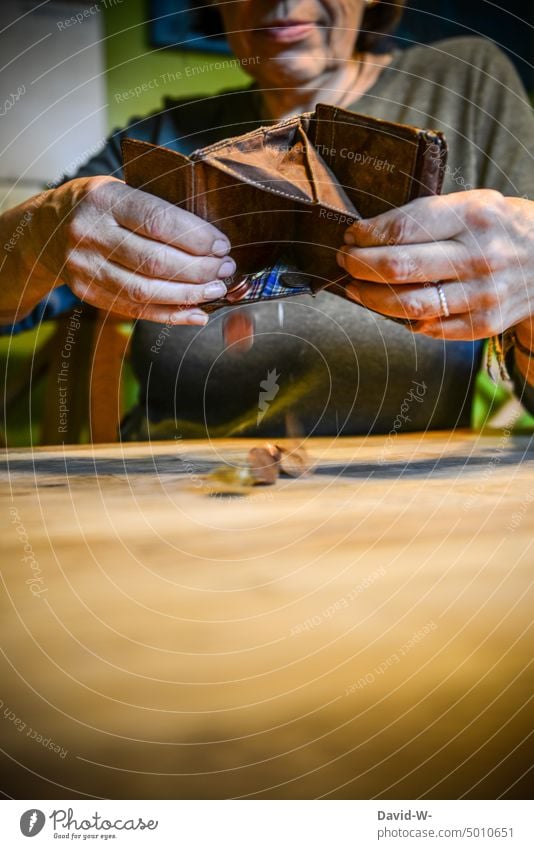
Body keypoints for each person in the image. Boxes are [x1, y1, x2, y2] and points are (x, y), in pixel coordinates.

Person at [1, 0, 534, 439]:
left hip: (395, 507)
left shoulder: (468, 84)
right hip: (173, 498)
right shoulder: (163, 134)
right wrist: (44, 232)